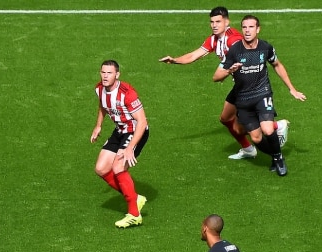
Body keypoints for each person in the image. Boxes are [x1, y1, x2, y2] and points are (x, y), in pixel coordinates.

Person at [159, 6, 289, 160]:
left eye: (218, 22)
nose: (214, 25)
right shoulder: (215, 39)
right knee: (227, 119)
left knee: (244, 124)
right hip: (240, 85)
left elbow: (224, 71)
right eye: (212, 22)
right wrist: (175, 60)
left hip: (249, 87)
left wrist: (225, 73)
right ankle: (249, 148)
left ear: (227, 22)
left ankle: (276, 127)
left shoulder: (233, 41)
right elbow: (194, 55)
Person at [213, 15, 306, 176]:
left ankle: (278, 158)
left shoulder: (265, 48)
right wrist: (229, 71)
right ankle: (275, 154)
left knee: (268, 130)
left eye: (251, 27)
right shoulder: (235, 50)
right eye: (244, 27)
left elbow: (277, 64)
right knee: (256, 138)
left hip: (262, 93)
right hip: (242, 99)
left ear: (258, 29)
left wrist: (292, 88)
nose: (247, 30)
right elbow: (216, 77)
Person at [90, 60, 149, 229]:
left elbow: (142, 121)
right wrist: (98, 125)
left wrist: (130, 148)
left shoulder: (127, 93)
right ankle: (134, 198)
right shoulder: (99, 89)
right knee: (101, 169)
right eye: (103, 72)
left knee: (118, 167)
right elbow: (102, 105)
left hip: (136, 131)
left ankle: (134, 215)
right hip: (120, 130)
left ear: (117, 75)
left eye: (109, 73)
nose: (105, 76)